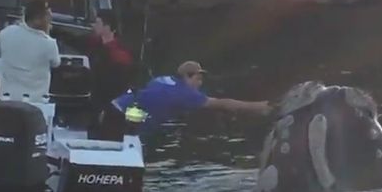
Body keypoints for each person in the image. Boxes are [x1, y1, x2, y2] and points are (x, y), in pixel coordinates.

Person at [91, 60, 271, 140]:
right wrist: (259, 107)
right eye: (198, 79)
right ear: (187, 76)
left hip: (110, 109)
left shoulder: (162, 79)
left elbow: (148, 95)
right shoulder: (185, 93)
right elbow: (223, 104)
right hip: (118, 120)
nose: (200, 83)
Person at [0, 0, 61, 102]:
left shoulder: (7, 32)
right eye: (48, 17)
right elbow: (56, 63)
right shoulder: (49, 44)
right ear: (38, 19)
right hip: (36, 102)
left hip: (6, 99)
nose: (50, 21)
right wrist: (46, 33)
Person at [88, 9, 134, 103]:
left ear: (107, 26)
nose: (93, 26)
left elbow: (117, 86)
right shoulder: (95, 44)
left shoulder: (119, 55)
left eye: (97, 23)